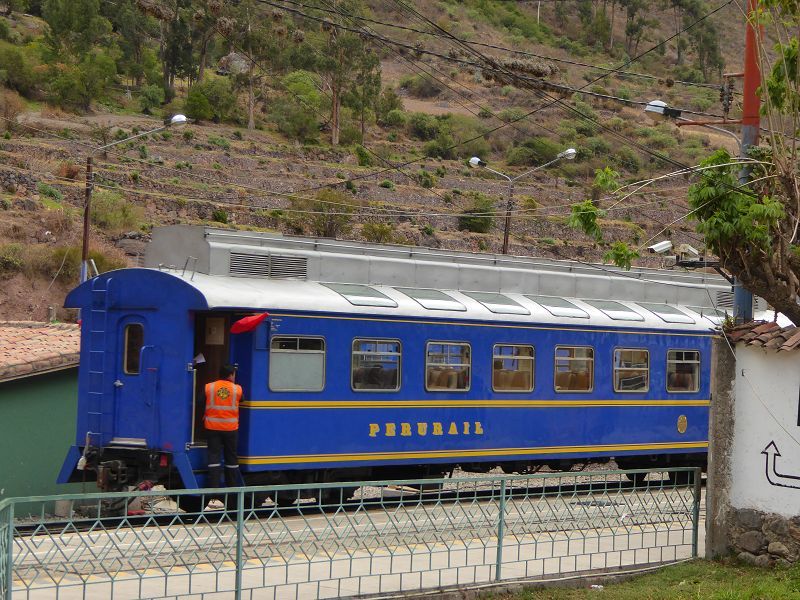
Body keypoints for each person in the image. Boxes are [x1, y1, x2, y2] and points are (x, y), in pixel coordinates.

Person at [204, 364, 243, 510]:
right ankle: (231, 486)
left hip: (212, 428)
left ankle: (214, 487)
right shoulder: (237, 389)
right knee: (231, 458)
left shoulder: (209, 387)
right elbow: (243, 400)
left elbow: (201, 401)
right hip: (230, 429)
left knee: (213, 456)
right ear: (230, 375)